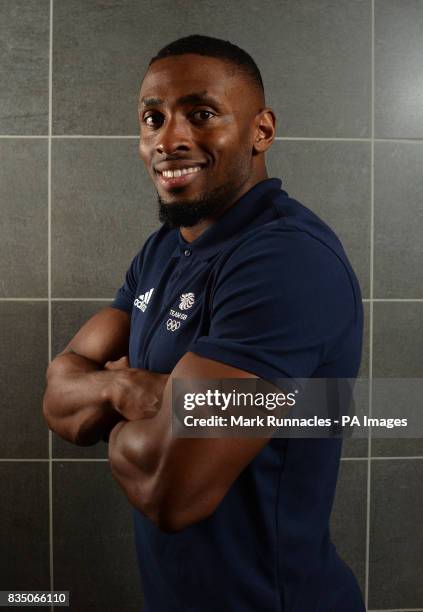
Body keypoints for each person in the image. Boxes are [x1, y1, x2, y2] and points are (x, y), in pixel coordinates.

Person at [43, 35, 366, 612]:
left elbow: (169, 491)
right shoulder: (163, 249)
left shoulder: (285, 259)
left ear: (261, 131)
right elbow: (58, 398)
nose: (170, 139)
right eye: (153, 117)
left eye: (202, 113)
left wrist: (118, 407)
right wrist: (131, 388)